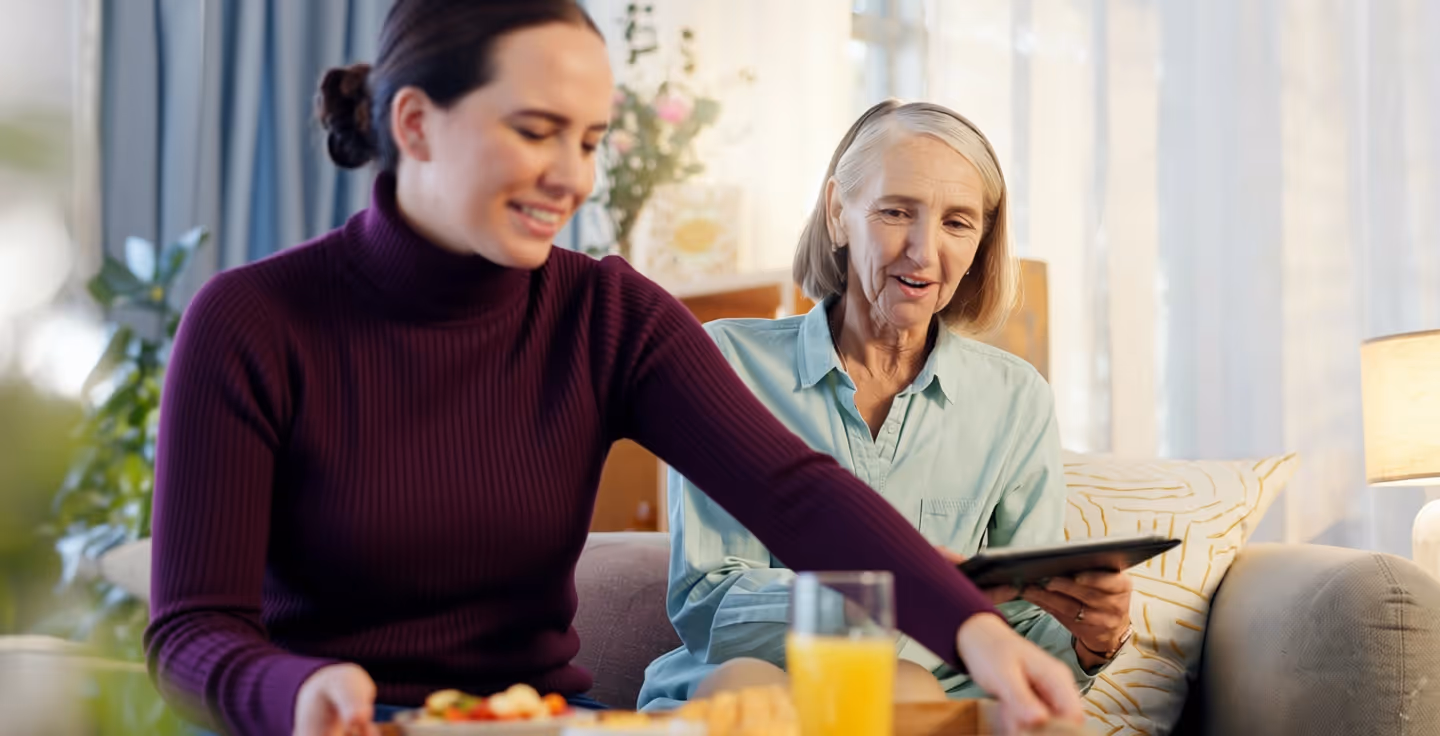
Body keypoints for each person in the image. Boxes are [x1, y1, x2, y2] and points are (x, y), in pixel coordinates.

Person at [144, 3, 1085, 735]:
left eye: (591, 140)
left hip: (539, 722)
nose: (575, 176)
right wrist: (296, 692)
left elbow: (796, 493)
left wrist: (975, 631)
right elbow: (190, 632)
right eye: (536, 130)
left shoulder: (607, 314)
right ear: (417, 125)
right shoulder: (251, 322)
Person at [639, 100, 1135, 711]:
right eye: (897, 212)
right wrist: (899, 592)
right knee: (759, 691)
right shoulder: (728, 360)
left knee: (912, 690)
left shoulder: (1015, 399)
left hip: (922, 705)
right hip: (747, 689)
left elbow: (1022, 631)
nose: (924, 251)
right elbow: (710, 601)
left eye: (958, 222)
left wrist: (1092, 642)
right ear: (837, 215)